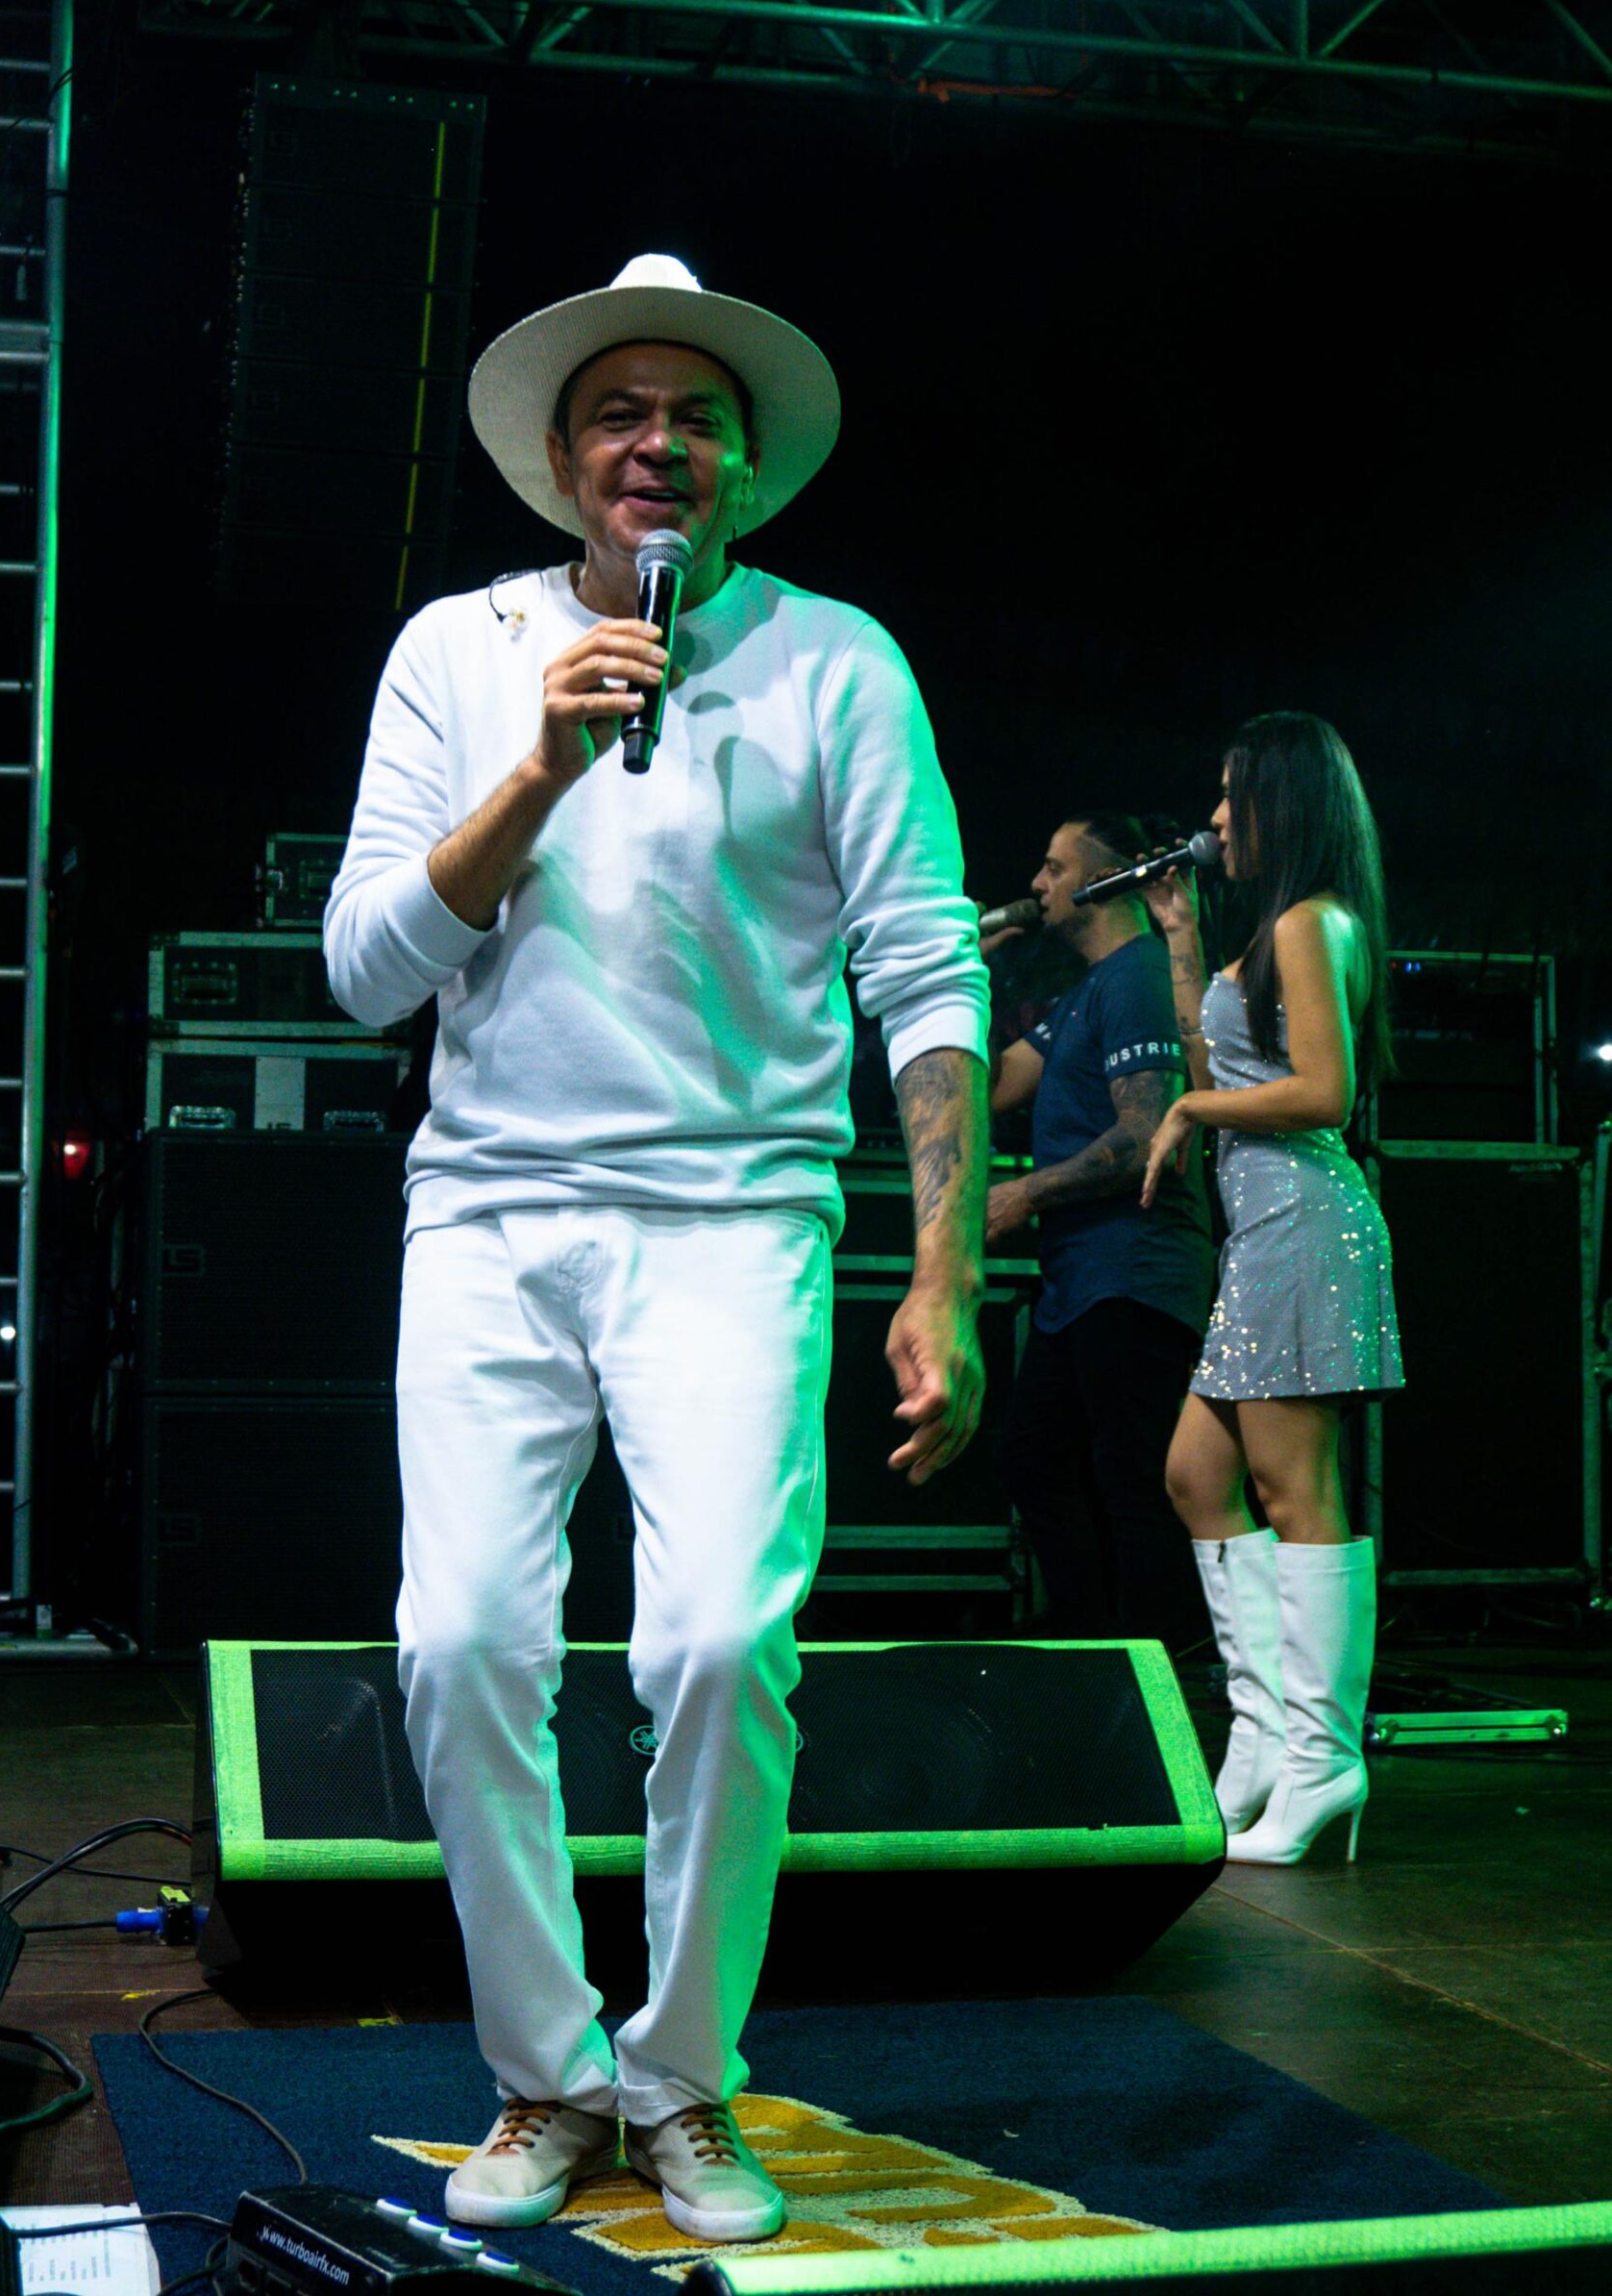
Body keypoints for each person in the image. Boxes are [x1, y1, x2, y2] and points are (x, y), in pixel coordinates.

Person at [324, 255, 989, 2241]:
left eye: (695, 416)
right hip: (490, 1208)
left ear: (745, 469)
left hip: (732, 1218)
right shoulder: (459, 652)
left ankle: (682, 2077)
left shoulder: (835, 661)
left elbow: (925, 965)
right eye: (617, 410)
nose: (656, 442)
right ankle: (545, 2073)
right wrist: (536, 763)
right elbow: (364, 971)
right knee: (462, 1645)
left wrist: (942, 1271)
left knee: (715, 1645)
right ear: (558, 458)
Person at [1141, 712, 1402, 1866]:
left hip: (1304, 1222)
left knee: (1297, 1490)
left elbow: (1323, 1093)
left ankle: (1321, 1758)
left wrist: (1192, 1110)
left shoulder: (1310, 920)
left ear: (1283, 803)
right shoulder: (1276, 926)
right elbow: (1225, 1068)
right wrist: (1183, 941)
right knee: (1197, 1474)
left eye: (1232, 795)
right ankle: (1259, 1737)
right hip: (1266, 1232)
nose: (1214, 818)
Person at [984, 814, 1215, 1653]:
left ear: (1099, 881)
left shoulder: (1139, 976)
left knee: (1133, 1480)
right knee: (1036, 1457)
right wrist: (970, 977)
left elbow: (1145, 1134)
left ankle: (1155, 1664)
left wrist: (1026, 1193)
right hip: (1081, 1281)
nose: (1036, 884)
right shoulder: (1087, 991)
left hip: (1133, 1271)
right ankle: (1090, 1644)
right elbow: (993, 1085)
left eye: (1054, 868)